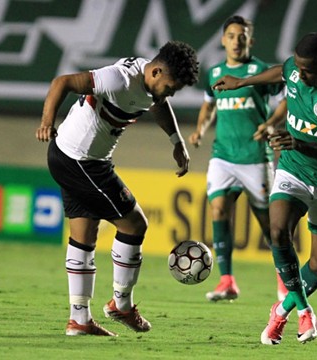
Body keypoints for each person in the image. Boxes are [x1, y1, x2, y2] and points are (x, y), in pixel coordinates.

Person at [35, 41, 199, 336]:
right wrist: (47, 121)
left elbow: (158, 104)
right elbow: (63, 82)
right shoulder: (117, 80)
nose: (171, 93)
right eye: (171, 86)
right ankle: (121, 305)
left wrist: (177, 142)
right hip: (81, 160)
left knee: (83, 237)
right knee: (134, 224)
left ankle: (79, 319)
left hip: (73, 157)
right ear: (157, 71)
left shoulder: (150, 82)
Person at [213, 32, 317, 344]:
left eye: (307, 71)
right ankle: (304, 310)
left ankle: (282, 310)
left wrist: (295, 141)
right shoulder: (295, 68)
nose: (299, 74)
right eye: (299, 68)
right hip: (292, 170)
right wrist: (243, 82)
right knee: (278, 231)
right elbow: (282, 70)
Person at [188, 15, 288, 302]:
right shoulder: (215, 72)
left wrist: (271, 124)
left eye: (242, 36)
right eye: (231, 35)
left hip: (255, 156)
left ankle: (284, 282)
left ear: (250, 40)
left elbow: (286, 99)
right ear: (223, 40)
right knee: (218, 210)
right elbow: (208, 107)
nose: (236, 41)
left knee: (270, 226)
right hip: (223, 155)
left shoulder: (261, 71)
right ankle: (227, 281)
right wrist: (199, 131)